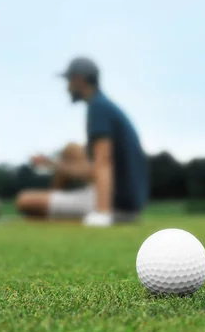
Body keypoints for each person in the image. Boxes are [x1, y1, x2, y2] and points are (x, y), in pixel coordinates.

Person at [16, 57, 149, 227]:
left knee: (24, 200)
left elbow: (103, 162)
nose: (67, 88)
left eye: (68, 81)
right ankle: (56, 204)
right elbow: (96, 168)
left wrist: (103, 213)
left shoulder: (98, 108)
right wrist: (51, 163)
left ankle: (83, 210)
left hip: (116, 203)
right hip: (126, 197)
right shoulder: (103, 104)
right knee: (70, 149)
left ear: (78, 79)